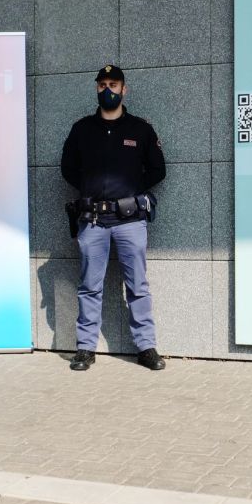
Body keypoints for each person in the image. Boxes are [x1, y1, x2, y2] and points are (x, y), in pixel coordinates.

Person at [61, 64, 167, 372]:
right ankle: (85, 348)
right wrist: (91, 188)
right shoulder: (81, 129)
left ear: (124, 89)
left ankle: (146, 347)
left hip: (131, 221)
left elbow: (158, 169)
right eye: (103, 84)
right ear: (96, 88)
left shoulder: (140, 129)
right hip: (92, 220)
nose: (108, 89)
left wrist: (131, 189)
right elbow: (68, 168)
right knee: (89, 286)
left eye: (114, 84)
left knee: (138, 286)